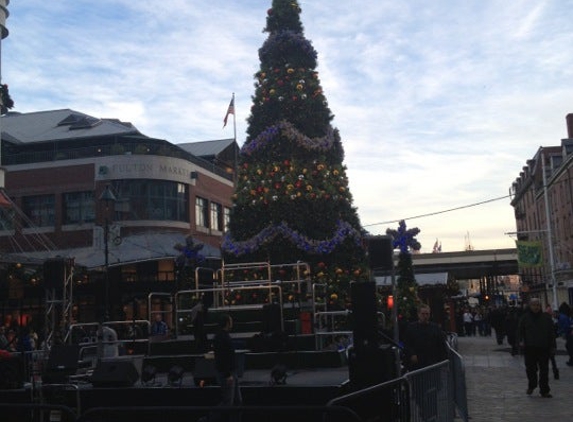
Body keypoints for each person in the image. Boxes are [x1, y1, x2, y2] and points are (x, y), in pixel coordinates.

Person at [517, 298, 556, 398]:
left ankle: (544, 390)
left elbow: (551, 333)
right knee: (531, 369)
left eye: (538, 305)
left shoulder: (546, 318)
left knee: (544, 370)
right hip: (530, 348)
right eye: (534, 305)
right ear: (530, 306)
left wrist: (552, 346)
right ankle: (532, 385)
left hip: (544, 347)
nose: (536, 307)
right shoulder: (525, 318)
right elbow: (520, 332)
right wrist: (520, 343)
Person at [213, 314, 242, 420]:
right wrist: (227, 374)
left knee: (236, 401)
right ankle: (211, 418)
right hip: (227, 373)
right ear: (227, 323)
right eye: (231, 321)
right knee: (228, 401)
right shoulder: (221, 337)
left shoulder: (223, 336)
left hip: (231, 371)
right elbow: (222, 358)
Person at [404, 304, 448, 370]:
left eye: (427, 314)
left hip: (433, 361)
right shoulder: (411, 328)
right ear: (418, 314)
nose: (425, 316)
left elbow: (441, 344)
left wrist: (443, 360)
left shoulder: (435, 328)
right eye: (423, 314)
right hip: (418, 362)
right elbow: (407, 343)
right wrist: (411, 354)